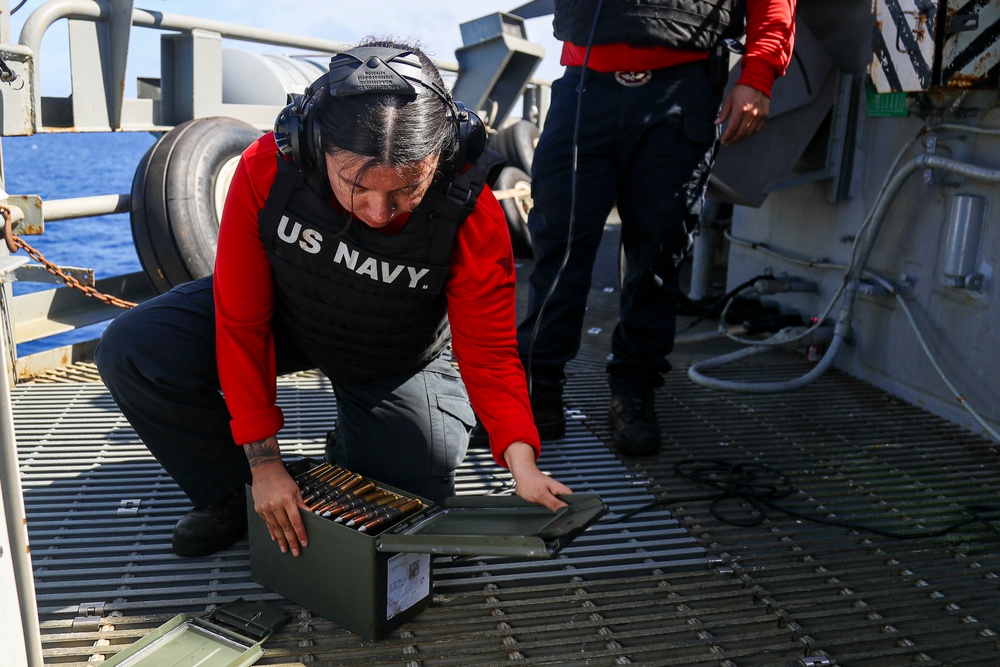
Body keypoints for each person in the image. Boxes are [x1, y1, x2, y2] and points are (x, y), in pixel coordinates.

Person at [96, 39, 571, 559]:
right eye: (355, 186)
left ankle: (345, 454)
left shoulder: (472, 210)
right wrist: (263, 463)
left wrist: (521, 461)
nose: (377, 212)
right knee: (135, 346)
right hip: (291, 317)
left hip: (393, 352)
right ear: (312, 146)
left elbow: (489, 351)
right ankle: (233, 492)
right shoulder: (267, 167)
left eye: (405, 190)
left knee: (409, 502)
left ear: (445, 155)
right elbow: (241, 319)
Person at [515, 0, 797, 455]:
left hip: (681, 92)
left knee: (659, 253)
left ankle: (634, 393)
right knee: (559, 245)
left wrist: (758, 74)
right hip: (585, 90)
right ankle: (537, 392)